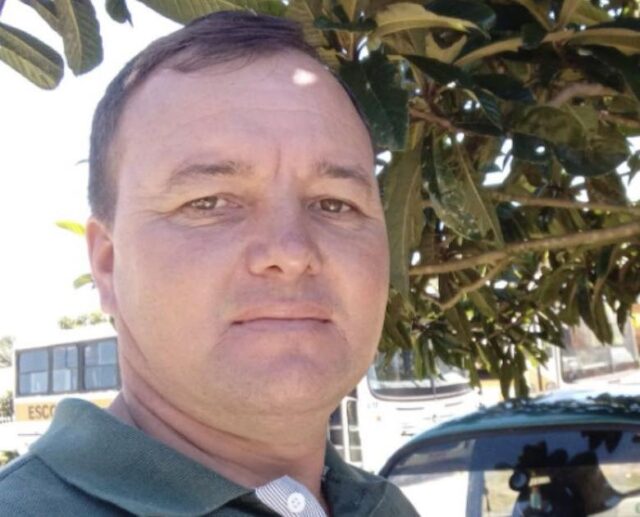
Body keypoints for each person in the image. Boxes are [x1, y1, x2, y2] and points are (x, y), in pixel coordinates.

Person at [0, 11, 418, 516]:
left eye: (335, 204)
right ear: (107, 265)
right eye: (209, 202)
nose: (291, 252)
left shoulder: (386, 508)